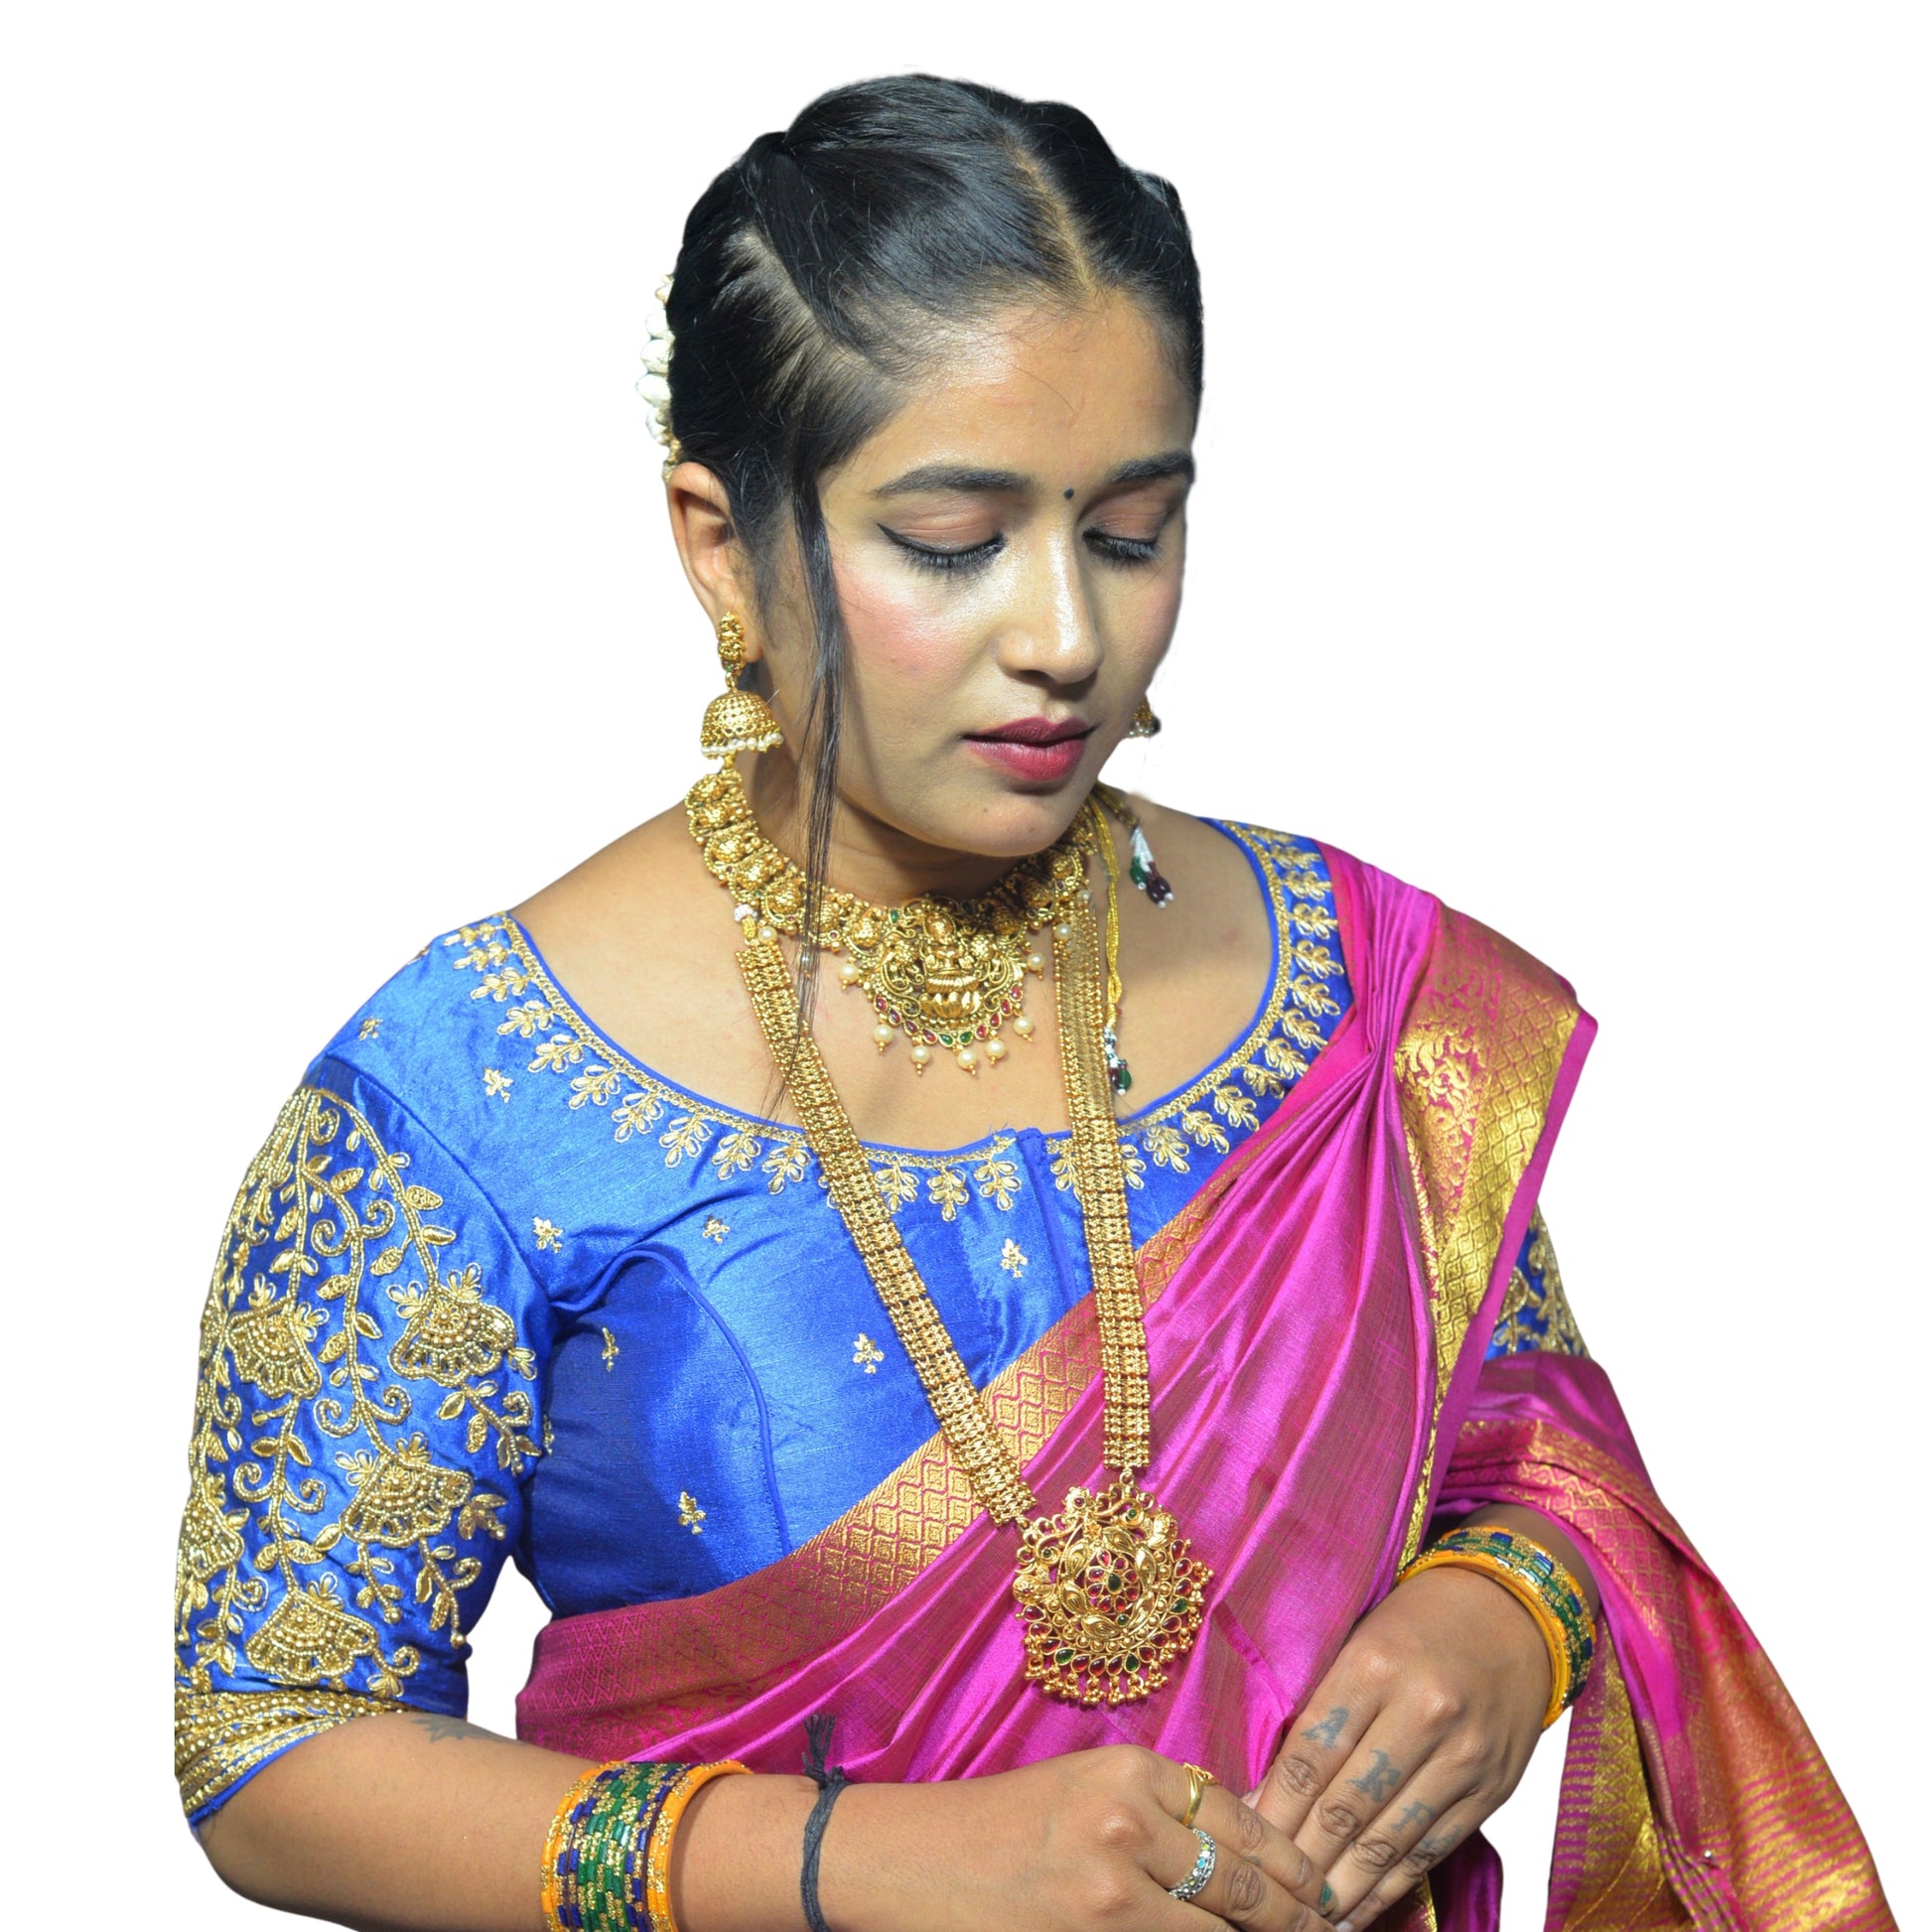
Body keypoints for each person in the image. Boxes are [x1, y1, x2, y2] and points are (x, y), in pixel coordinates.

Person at [172, 74, 1888, 1932]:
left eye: (1130, 532)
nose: (1066, 635)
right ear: (723, 542)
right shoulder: (475, 1088)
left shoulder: (1357, 996)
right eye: (949, 540)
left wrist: (1510, 1611)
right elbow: (275, 1738)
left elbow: (1531, 1442)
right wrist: (859, 1865)